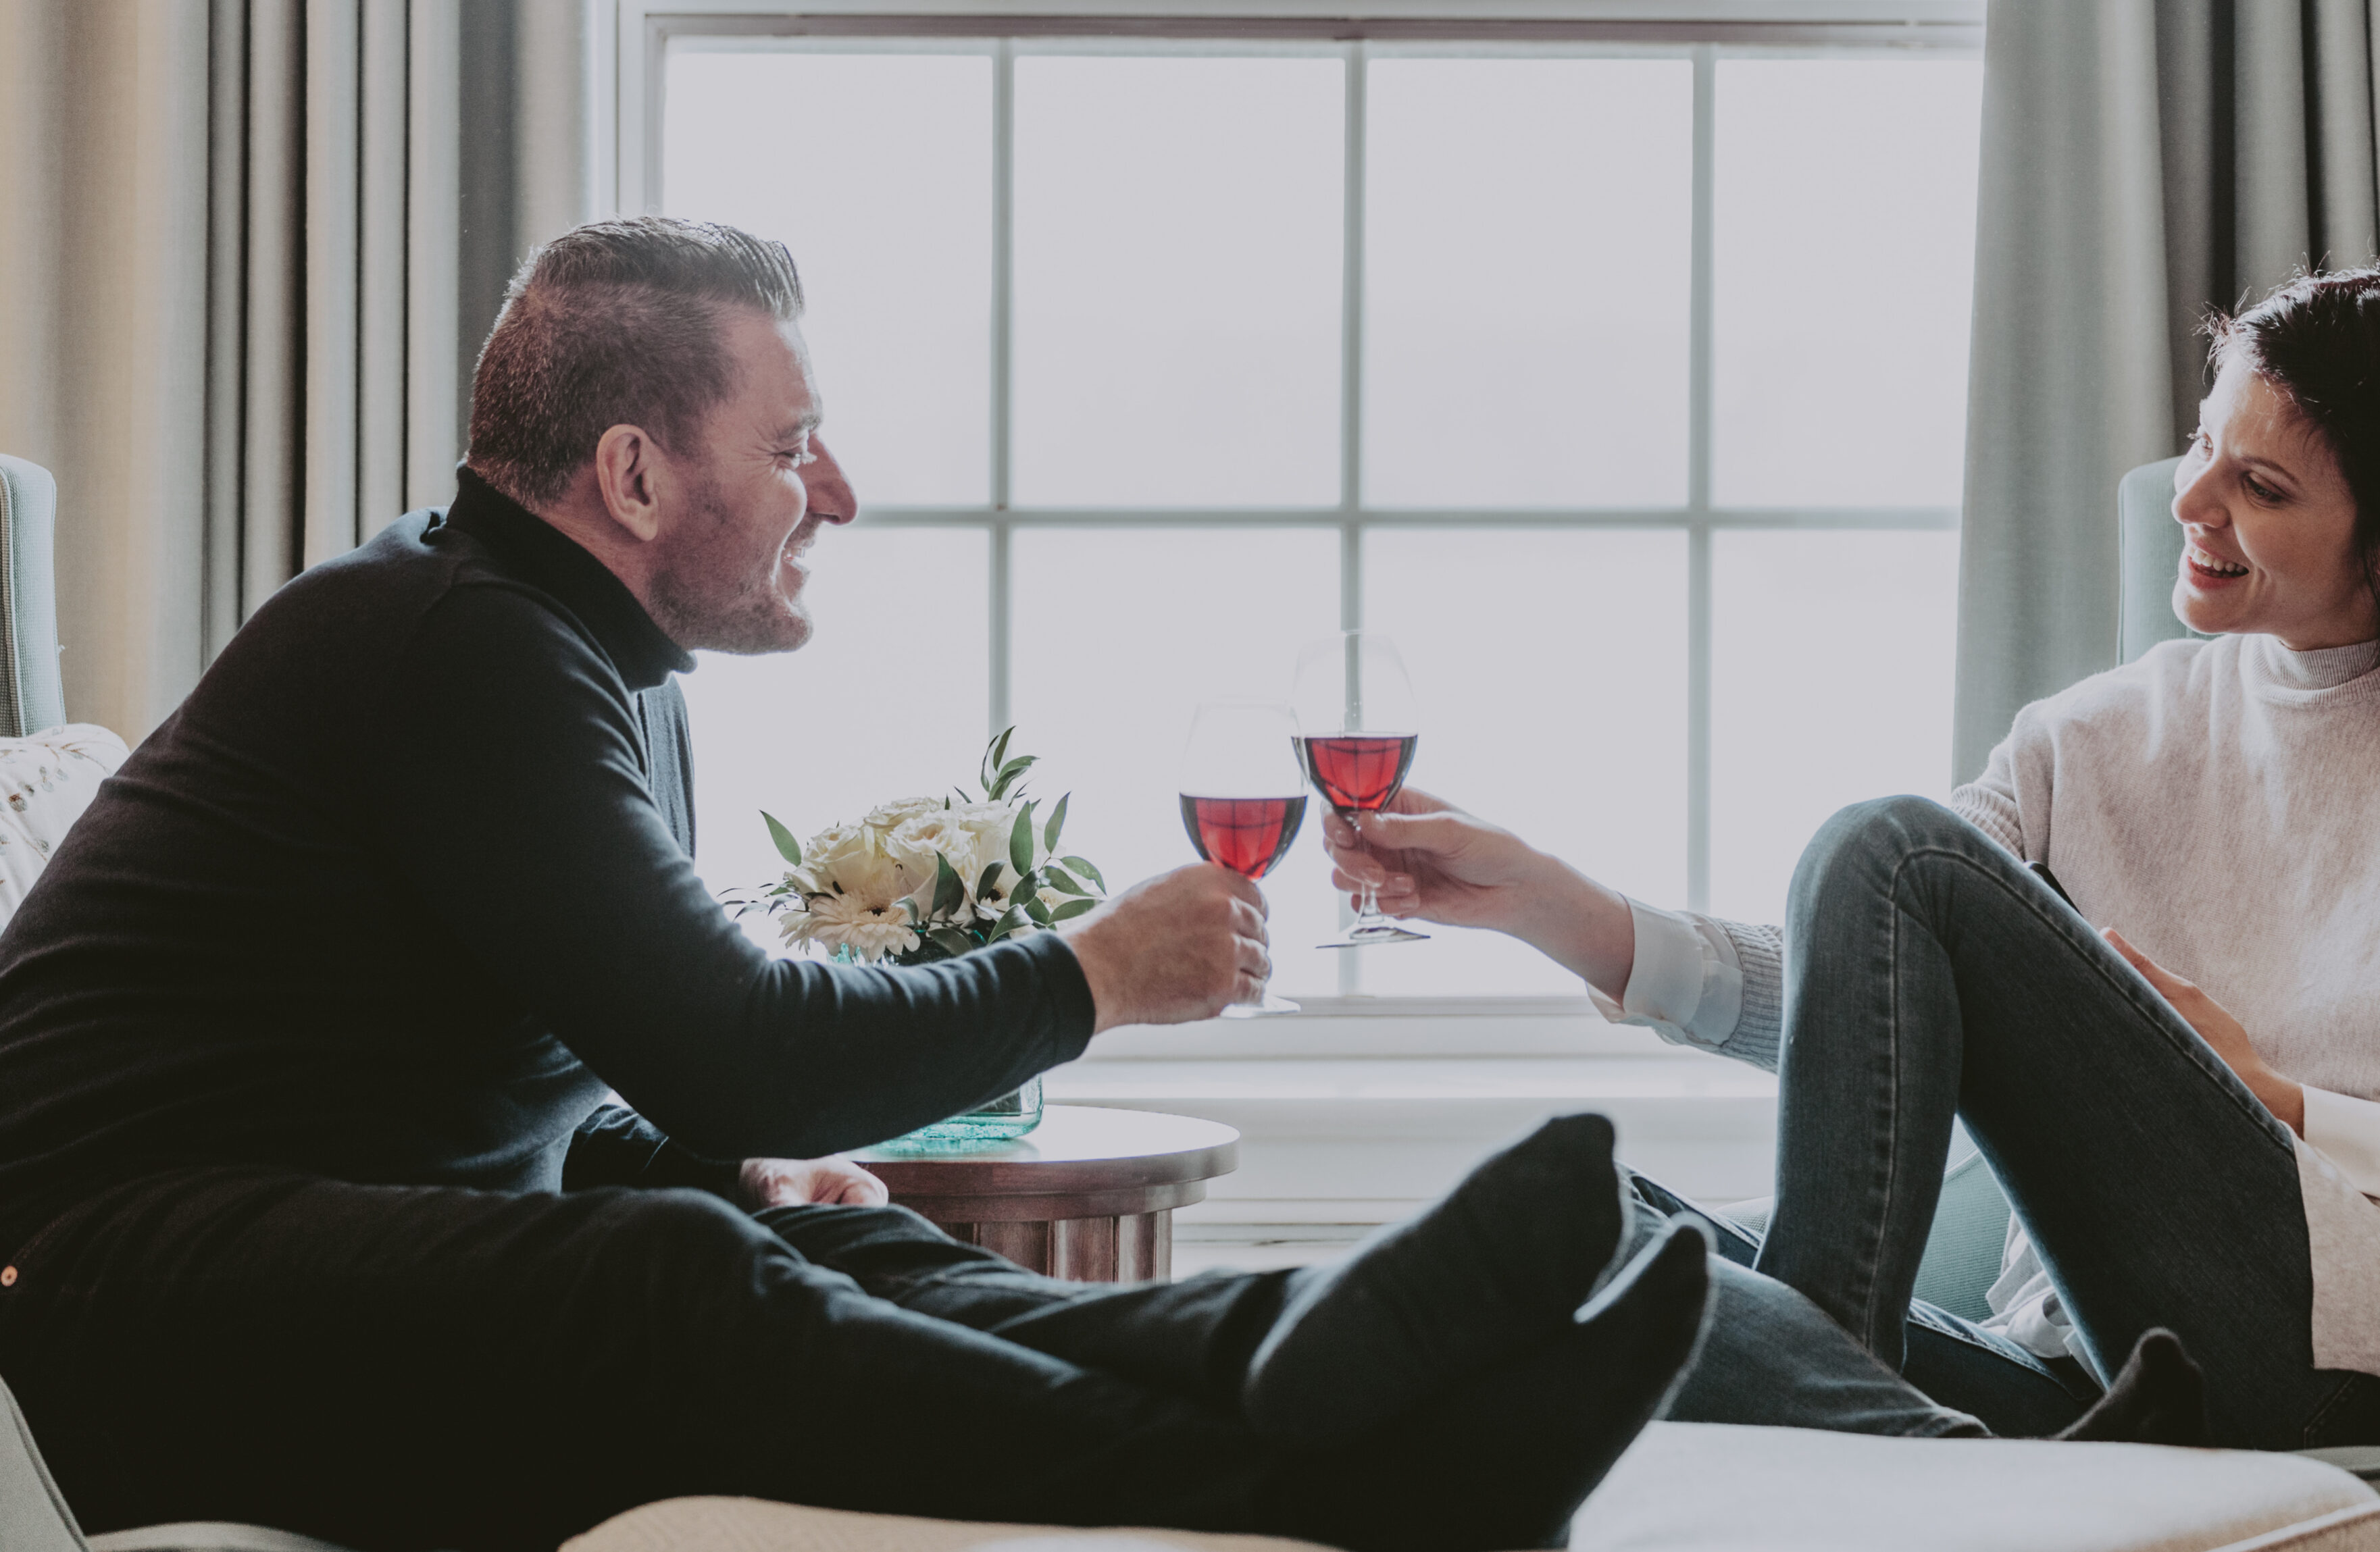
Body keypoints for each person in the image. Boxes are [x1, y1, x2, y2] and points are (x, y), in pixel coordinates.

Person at [0, 217, 1725, 1552]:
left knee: (846, 1242)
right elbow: (732, 1042)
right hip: (94, 1304)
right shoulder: (456, 649)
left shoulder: (570, 659)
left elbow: (474, 1082)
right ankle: (1366, 1484)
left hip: (271, 1239)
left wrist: (738, 1156)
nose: (839, 491)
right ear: (631, 473)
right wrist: (1095, 972)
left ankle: (1318, 1338)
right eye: (796, 441)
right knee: (669, 1277)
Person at [1321, 265, 2380, 1464]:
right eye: (2203, 444)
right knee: (1572, 1226)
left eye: (2261, 485)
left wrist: (2280, 1102)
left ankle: (1835, 1441)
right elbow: (1867, 1002)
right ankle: (1921, 1445)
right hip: (2075, 1374)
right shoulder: (2095, 737)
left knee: (1891, 844)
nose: (2191, 498)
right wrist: (1557, 910)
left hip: (2330, 1355)